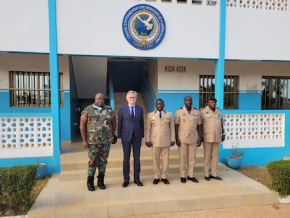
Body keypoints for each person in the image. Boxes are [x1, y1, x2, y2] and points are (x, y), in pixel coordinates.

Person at [80, 93, 116, 191]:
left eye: (102, 99)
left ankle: (101, 181)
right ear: (95, 99)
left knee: (103, 161)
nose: (100, 100)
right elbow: (82, 125)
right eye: (98, 98)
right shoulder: (88, 110)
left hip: (106, 141)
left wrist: (112, 136)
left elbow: (113, 122)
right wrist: (84, 140)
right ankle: (90, 181)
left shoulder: (109, 110)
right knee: (93, 161)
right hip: (93, 142)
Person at [118, 90, 144, 187]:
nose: (132, 99)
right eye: (130, 97)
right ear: (127, 98)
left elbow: (142, 123)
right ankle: (126, 179)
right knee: (126, 159)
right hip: (126, 137)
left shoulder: (140, 109)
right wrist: (119, 136)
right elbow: (119, 123)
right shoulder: (122, 109)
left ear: (136, 98)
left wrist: (142, 137)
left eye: (134, 97)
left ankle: (137, 179)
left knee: (137, 158)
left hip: (137, 137)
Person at [145, 99, 175, 185]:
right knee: (156, 160)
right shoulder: (151, 115)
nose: (160, 105)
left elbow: (172, 129)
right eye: (158, 104)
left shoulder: (169, 114)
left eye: (161, 104)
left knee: (165, 160)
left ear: (164, 105)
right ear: (155, 105)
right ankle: (157, 176)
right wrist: (147, 140)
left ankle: (164, 176)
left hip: (166, 141)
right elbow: (148, 129)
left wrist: (172, 139)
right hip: (155, 141)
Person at [174, 96, 201, 183]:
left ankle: (191, 175)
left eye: (190, 100)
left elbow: (199, 126)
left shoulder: (197, 112)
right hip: (182, 138)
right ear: (184, 101)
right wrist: (176, 138)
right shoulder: (179, 112)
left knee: (192, 158)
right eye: (187, 100)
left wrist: (200, 137)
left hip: (193, 138)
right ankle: (183, 176)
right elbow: (176, 125)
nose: (189, 102)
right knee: (183, 158)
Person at [200, 96, 225, 181]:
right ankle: (207, 174)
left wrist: (223, 133)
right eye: (211, 102)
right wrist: (200, 136)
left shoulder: (219, 111)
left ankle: (214, 174)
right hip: (207, 137)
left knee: (214, 156)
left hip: (217, 137)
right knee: (207, 157)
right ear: (208, 103)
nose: (213, 104)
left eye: (214, 102)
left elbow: (222, 124)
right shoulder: (203, 112)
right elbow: (200, 125)